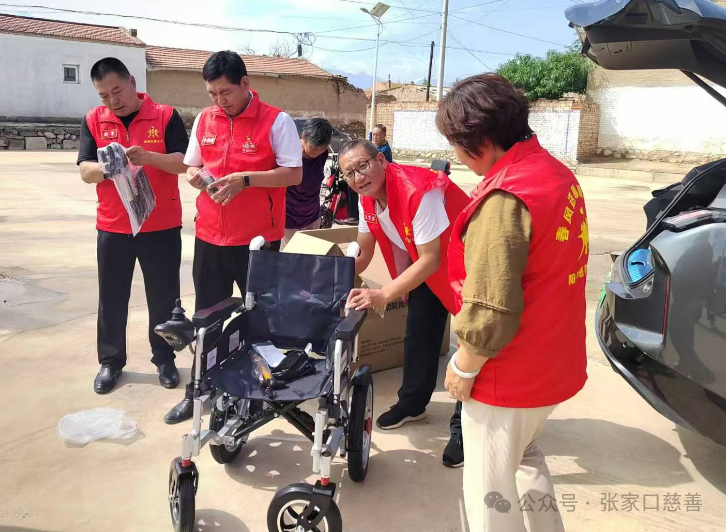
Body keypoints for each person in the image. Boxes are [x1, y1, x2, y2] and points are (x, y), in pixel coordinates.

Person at [436, 73, 588, 532]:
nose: (457, 157)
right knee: (525, 459)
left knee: (490, 494)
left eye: (456, 146)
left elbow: (492, 306)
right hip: (551, 359)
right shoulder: (554, 173)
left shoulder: (506, 198)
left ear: (480, 144)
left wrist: (463, 367)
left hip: (509, 374)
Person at [164, 51, 302, 424]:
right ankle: (201, 390)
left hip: (258, 240)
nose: (219, 101)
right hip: (210, 235)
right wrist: (194, 176)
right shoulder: (205, 119)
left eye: (225, 92)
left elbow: (293, 174)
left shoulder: (277, 121)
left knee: (260, 317)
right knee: (207, 318)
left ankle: (259, 390)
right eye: (212, 94)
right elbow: (191, 165)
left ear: (245, 83)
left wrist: (246, 180)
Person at [341, 139, 469, 461]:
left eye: (362, 166)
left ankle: (465, 428)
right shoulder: (367, 199)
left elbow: (431, 258)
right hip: (429, 265)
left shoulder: (419, 191)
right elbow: (364, 252)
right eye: (349, 173)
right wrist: (331, 277)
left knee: (471, 343)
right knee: (419, 334)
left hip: (467, 263)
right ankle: (412, 403)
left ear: (381, 161)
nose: (358, 177)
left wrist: (383, 294)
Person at [77, 57, 189, 395]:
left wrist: (150, 157)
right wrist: (107, 167)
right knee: (111, 298)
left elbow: (184, 162)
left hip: (160, 226)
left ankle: (164, 358)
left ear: (131, 82)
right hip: (113, 226)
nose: (113, 101)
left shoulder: (165, 115)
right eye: (104, 96)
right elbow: (85, 170)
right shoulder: (93, 120)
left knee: (163, 298)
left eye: (117, 91)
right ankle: (111, 361)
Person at [281, 118, 333, 248]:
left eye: (321, 149)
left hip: (312, 214)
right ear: (304, 136)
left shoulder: (322, 154)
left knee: (311, 253)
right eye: (313, 147)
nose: (316, 152)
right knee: (291, 255)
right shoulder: (289, 153)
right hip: (289, 216)